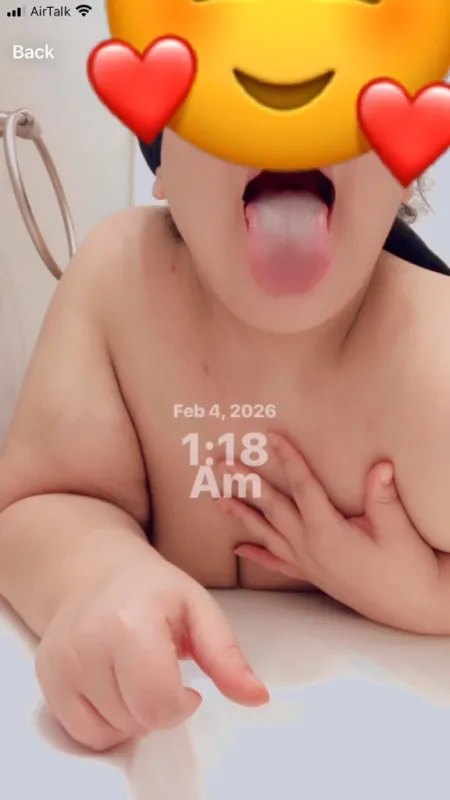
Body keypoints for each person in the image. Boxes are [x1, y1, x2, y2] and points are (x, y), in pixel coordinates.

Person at [0, 129, 448, 752]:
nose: (285, 108)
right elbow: (32, 505)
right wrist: (98, 573)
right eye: (231, 88)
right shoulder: (117, 284)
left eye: (338, 88)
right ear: (161, 155)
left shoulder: (432, 361)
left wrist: (427, 598)